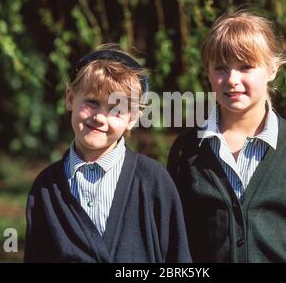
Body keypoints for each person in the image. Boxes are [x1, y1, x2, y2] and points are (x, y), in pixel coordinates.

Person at [167, 10, 286, 263]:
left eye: (245, 67)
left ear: (272, 69)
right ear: (207, 72)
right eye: (221, 68)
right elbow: (178, 233)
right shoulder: (187, 150)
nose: (232, 80)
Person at [24, 45, 192, 263]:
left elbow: (178, 261)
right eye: (92, 102)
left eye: (115, 109)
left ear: (133, 117)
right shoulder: (45, 188)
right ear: (70, 98)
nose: (100, 117)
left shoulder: (154, 181)